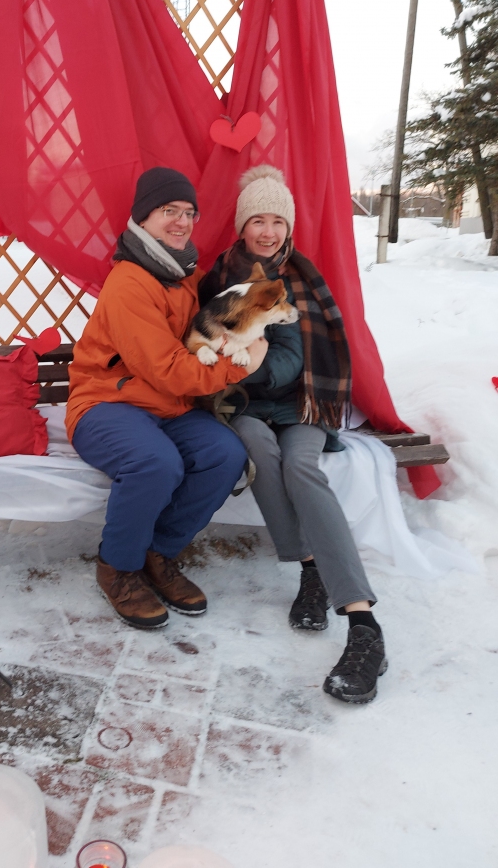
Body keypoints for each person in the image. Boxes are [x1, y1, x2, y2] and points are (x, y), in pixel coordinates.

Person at [199, 165, 387, 704]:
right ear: (241, 226)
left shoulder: (298, 280)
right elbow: (206, 346)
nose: (268, 231)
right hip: (243, 407)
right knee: (256, 450)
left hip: (302, 404)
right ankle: (310, 570)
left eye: (277, 220)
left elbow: (287, 363)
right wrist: (236, 364)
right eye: (257, 219)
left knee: (301, 466)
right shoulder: (218, 280)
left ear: (288, 227)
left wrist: (243, 358)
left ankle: (363, 626)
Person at [66, 167, 268, 630]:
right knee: (156, 463)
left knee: (225, 454)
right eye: (168, 211)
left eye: (188, 213)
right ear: (143, 218)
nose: (181, 221)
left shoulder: (181, 275)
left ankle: (158, 554)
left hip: (164, 408)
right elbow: (167, 369)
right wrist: (240, 365)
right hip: (106, 405)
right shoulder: (131, 282)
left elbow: (197, 341)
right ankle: (117, 567)